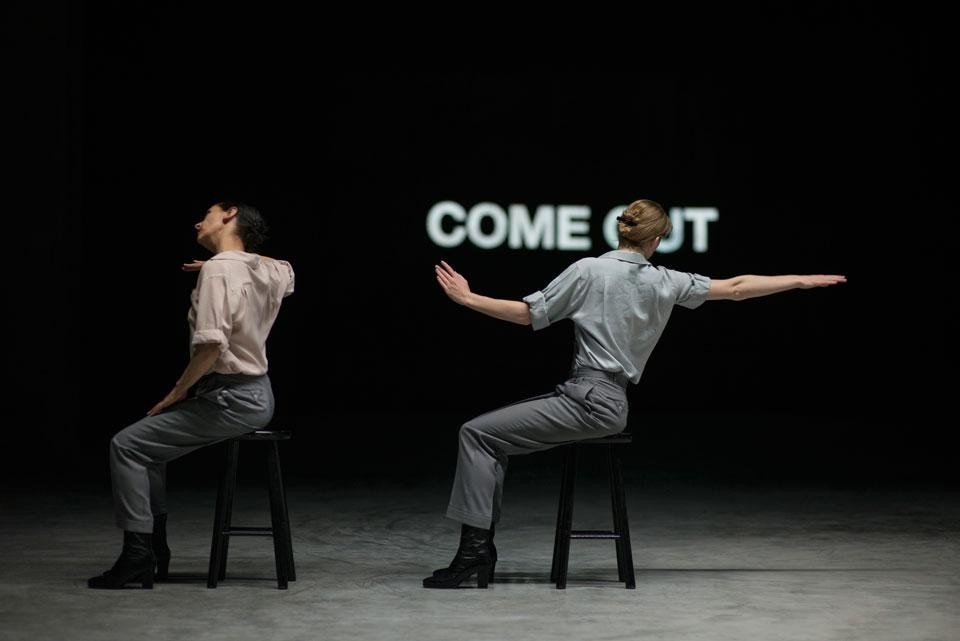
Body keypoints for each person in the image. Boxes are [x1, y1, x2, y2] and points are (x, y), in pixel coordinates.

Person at [425, 198, 845, 589]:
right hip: (610, 401)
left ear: (622, 231)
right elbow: (736, 287)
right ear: (656, 240)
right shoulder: (666, 281)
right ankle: (476, 552)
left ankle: (474, 554)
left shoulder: (588, 270)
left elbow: (526, 315)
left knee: (476, 434)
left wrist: (468, 298)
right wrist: (799, 281)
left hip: (586, 400)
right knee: (485, 436)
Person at [88, 201, 295, 589]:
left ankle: (138, 553)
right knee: (149, 449)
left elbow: (211, 348)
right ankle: (152, 552)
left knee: (126, 445)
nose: (200, 221)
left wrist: (176, 393)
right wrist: (230, 259)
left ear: (230, 215)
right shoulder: (260, 269)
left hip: (233, 397)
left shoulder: (221, 270)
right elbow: (287, 270)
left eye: (210, 213)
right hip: (256, 395)